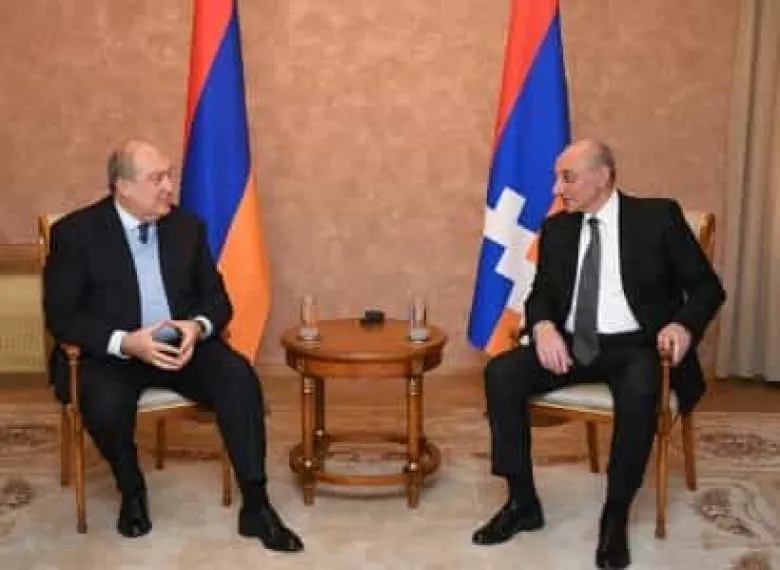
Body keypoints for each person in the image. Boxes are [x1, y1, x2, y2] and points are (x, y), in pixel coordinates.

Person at [471, 139, 725, 569]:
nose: (557, 188)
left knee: (642, 387)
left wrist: (683, 325)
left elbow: (707, 289)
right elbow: (541, 294)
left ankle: (616, 513)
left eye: (567, 178)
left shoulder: (657, 218)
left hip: (637, 345)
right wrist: (543, 326)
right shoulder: (558, 229)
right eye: (557, 178)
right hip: (572, 344)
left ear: (602, 177)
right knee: (501, 373)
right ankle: (522, 502)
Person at [43, 140, 303, 552]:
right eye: (157, 179)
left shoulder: (186, 227)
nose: (169, 186)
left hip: (179, 348)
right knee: (105, 405)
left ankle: (256, 504)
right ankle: (132, 490)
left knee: (238, 378)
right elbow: (62, 316)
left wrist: (196, 327)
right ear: (123, 187)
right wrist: (127, 343)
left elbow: (218, 301)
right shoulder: (76, 234)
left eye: (169, 175)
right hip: (112, 353)